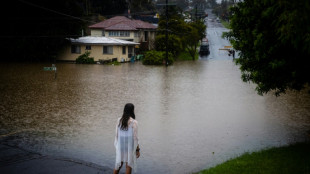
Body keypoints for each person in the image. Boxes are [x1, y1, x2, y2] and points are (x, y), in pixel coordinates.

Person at [113, 103, 140, 174]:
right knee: (128, 165)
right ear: (132, 111)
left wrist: (117, 146)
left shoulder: (119, 120)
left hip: (121, 145)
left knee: (119, 163)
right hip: (129, 146)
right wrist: (137, 149)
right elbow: (136, 138)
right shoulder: (134, 122)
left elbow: (117, 134)